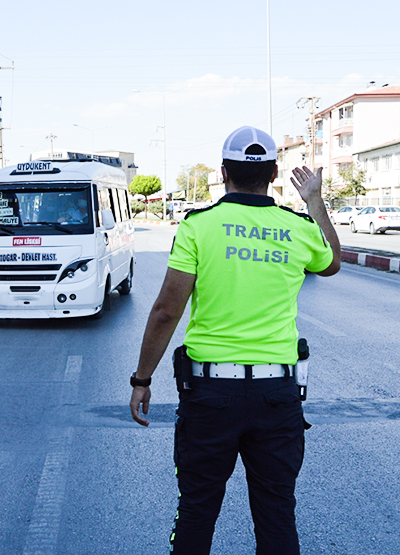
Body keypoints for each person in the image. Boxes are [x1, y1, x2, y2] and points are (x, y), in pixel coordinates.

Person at [128, 126, 341, 555]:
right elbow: (332, 262)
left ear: (224, 173)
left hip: (210, 397)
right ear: (275, 173)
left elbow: (167, 310)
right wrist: (315, 201)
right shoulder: (296, 227)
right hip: (277, 397)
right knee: (277, 514)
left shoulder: (199, 227)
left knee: (197, 509)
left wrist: (142, 379)